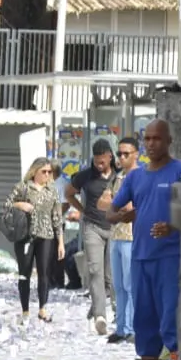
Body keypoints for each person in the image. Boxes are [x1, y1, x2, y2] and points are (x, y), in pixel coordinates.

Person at [107, 120, 181, 360]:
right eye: (148, 139)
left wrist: (173, 225)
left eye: (158, 138)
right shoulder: (135, 177)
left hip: (170, 257)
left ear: (169, 140)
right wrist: (121, 216)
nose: (152, 143)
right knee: (144, 318)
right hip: (140, 256)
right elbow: (111, 210)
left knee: (170, 318)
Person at [66, 139, 118, 335]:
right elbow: (68, 193)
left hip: (114, 228)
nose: (99, 165)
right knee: (95, 271)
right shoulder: (86, 176)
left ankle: (102, 310)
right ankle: (100, 316)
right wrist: (83, 210)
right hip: (93, 228)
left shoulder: (119, 176)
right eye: (96, 161)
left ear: (109, 157)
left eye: (102, 162)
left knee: (110, 277)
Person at [5, 157, 65, 322]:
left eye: (49, 172)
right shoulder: (23, 187)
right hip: (26, 236)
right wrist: (20, 205)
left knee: (44, 272)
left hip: (46, 235)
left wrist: (60, 242)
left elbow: (57, 217)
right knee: (24, 272)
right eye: (43, 171)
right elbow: (7, 204)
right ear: (35, 172)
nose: (47, 175)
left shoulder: (52, 190)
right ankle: (25, 310)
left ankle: (42, 308)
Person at [98, 137, 139, 344]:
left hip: (132, 236)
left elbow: (133, 207)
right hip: (116, 235)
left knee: (131, 284)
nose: (121, 158)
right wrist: (118, 205)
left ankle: (132, 327)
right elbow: (101, 203)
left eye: (126, 154)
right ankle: (121, 327)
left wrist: (116, 205)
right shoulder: (117, 178)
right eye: (119, 154)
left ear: (136, 155)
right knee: (118, 285)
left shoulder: (140, 176)